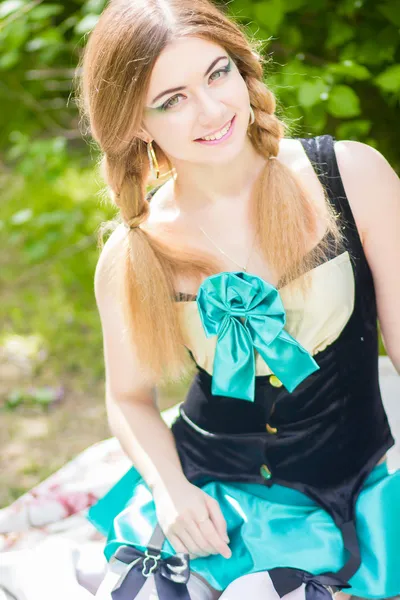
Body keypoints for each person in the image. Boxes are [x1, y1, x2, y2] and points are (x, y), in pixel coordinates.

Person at [76, 0, 400, 598]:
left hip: (346, 488)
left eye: (216, 73)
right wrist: (170, 489)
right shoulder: (133, 251)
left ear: (241, 68)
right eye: (171, 100)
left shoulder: (352, 177)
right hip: (209, 493)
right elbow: (128, 398)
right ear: (137, 124)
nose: (211, 109)